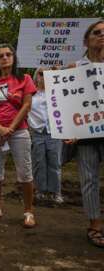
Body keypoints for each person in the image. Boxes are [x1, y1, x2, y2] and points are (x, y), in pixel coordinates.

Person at [0, 43, 37, 228]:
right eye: (1, 56)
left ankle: (28, 211)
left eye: (8, 55)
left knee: (25, 172)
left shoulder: (25, 79)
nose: (5, 58)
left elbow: (26, 105)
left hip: (19, 131)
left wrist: (10, 129)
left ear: (14, 58)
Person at [67, 20, 104, 248]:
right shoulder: (74, 69)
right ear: (86, 40)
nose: (101, 36)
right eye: (97, 33)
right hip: (85, 135)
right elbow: (67, 104)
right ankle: (95, 226)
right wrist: (69, 131)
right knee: (89, 180)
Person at [28, 67, 63, 205]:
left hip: (54, 132)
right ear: (36, 76)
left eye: (47, 74)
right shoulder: (30, 94)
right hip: (37, 133)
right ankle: (40, 191)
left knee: (55, 162)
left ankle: (56, 192)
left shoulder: (57, 92)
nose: (43, 76)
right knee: (39, 162)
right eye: (41, 74)